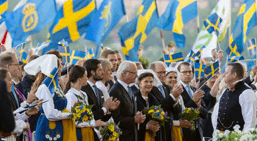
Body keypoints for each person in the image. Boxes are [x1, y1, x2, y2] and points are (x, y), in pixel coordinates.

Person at [24, 54, 77, 141]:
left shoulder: (56, 86)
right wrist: (70, 115)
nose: (60, 69)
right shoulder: (44, 88)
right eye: (58, 67)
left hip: (59, 124)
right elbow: (50, 113)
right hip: (48, 127)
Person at [212, 63, 256, 136]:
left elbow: (250, 122)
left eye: (226, 73)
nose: (223, 75)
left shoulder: (247, 92)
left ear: (234, 74)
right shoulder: (225, 91)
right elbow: (216, 115)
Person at [65, 65, 106, 141]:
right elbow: (72, 120)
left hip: (88, 131)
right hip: (78, 134)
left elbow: (89, 114)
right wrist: (93, 123)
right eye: (86, 76)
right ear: (80, 79)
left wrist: (94, 123)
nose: (87, 78)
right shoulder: (70, 95)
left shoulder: (84, 94)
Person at [109, 61, 146, 141]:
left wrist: (137, 115)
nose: (136, 76)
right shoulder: (116, 90)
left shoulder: (128, 88)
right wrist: (134, 120)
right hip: (123, 136)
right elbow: (115, 119)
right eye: (134, 73)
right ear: (124, 73)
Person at [149, 61, 182, 141]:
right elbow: (157, 108)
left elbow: (176, 111)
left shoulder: (166, 87)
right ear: (152, 73)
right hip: (156, 131)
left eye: (164, 72)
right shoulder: (150, 88)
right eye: (160, 73)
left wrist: (175, 100)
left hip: (168, 130)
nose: (163, 75)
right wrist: (172, 97)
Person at [177, 62, 208, 141]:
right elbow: (180, 112)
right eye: (184, 72)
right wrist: (193, 101)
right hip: (184, 132)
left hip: (198, 132)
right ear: (178, 73)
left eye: (190, 72)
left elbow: (205, 114)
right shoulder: (177, 90)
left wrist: (199, 107)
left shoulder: (195, 89)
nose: (188, 74)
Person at [134, 72, 160, 141]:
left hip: (152, 135)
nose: (149, 84)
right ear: (139, 83)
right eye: (146, 81)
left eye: (151, 82)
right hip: (139, 136)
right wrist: (146, 126)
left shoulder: (153, 98)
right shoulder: (134, 97)